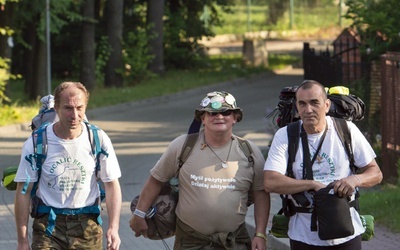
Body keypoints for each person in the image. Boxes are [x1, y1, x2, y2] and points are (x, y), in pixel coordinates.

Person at [130, 91, 270, 250]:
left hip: (234, 241)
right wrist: (139, 214)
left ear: (235, 118)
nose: (219, 116)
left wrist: (260, 234)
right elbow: (156, 180)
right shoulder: (183, 145)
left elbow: (261, 193)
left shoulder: (250, 152)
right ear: (202, 118)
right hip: (191, 241)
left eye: (226, 112)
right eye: (212, 113)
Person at [264, 80, 383, 250]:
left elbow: (376, 173)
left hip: (346, 233)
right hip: (303, 236)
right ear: (297, 107)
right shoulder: (286, 135)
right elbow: (270, 182)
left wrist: (354, 180)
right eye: (302, 104)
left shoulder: (346, 130)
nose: (308, 109)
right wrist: (312, 184)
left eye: (314, 102)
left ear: (326, 105)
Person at [14, 82, 122, 250]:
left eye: (80, 108)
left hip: (87, 226)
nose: (75, 115)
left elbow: (112, 185)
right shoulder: (36, 142)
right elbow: (23, 191)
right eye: (68, 108)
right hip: (48, 226)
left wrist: (113, 228)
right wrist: (22, 241)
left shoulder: (97, 139)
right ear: (56, 107)